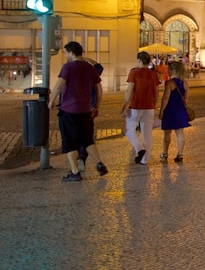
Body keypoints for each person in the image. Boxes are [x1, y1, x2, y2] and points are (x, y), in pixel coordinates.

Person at [47, 42, 108, 181]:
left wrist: (51, 101)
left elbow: (58, 86)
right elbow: (99, 89)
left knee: (69, 142)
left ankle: (75, 172)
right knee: (87, 140)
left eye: (66, 53)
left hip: (68, 110)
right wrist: (96, 106)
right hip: (85, 110)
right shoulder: (90, 68)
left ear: (71, 52)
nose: (66, 55)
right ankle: (99, 163)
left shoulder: (68, 67)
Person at [123, 51, 160, 165]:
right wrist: (154, 104)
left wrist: (124, 105)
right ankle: (144, 159)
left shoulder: (134, 73)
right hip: (149, 107)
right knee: (147, 133)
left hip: (136, 106)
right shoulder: (153, 74)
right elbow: (157, 92)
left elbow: (129, 90)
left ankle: (139, 149)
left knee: (129, 130)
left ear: (139, 60)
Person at [159, 60, 191, 162]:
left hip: (170, 110)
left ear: (173, 70)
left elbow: (165, 98)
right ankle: (180, 154)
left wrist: (161, 111)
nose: (167, 71)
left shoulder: (169, 83)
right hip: (180, 110)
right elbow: (186, 98)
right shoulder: (185, 83)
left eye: (168, 69)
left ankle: (165, 154)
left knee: (167, 134)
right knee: (180, 132)